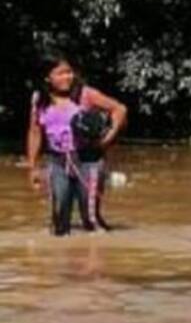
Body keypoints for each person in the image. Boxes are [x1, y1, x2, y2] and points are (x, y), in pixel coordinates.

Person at [26, 55, 127, 236]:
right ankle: (61, 257)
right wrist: (33, 167)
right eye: (60, 73)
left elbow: (119, 109)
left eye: (69, 72)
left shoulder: (86, 94)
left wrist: (108, 138)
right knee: (59, 217)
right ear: (47, 77)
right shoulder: (38, 99)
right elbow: (35, 132)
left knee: (90, 218)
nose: (67, 77)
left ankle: (97, 257)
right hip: (57, 160)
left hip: (88, 160)